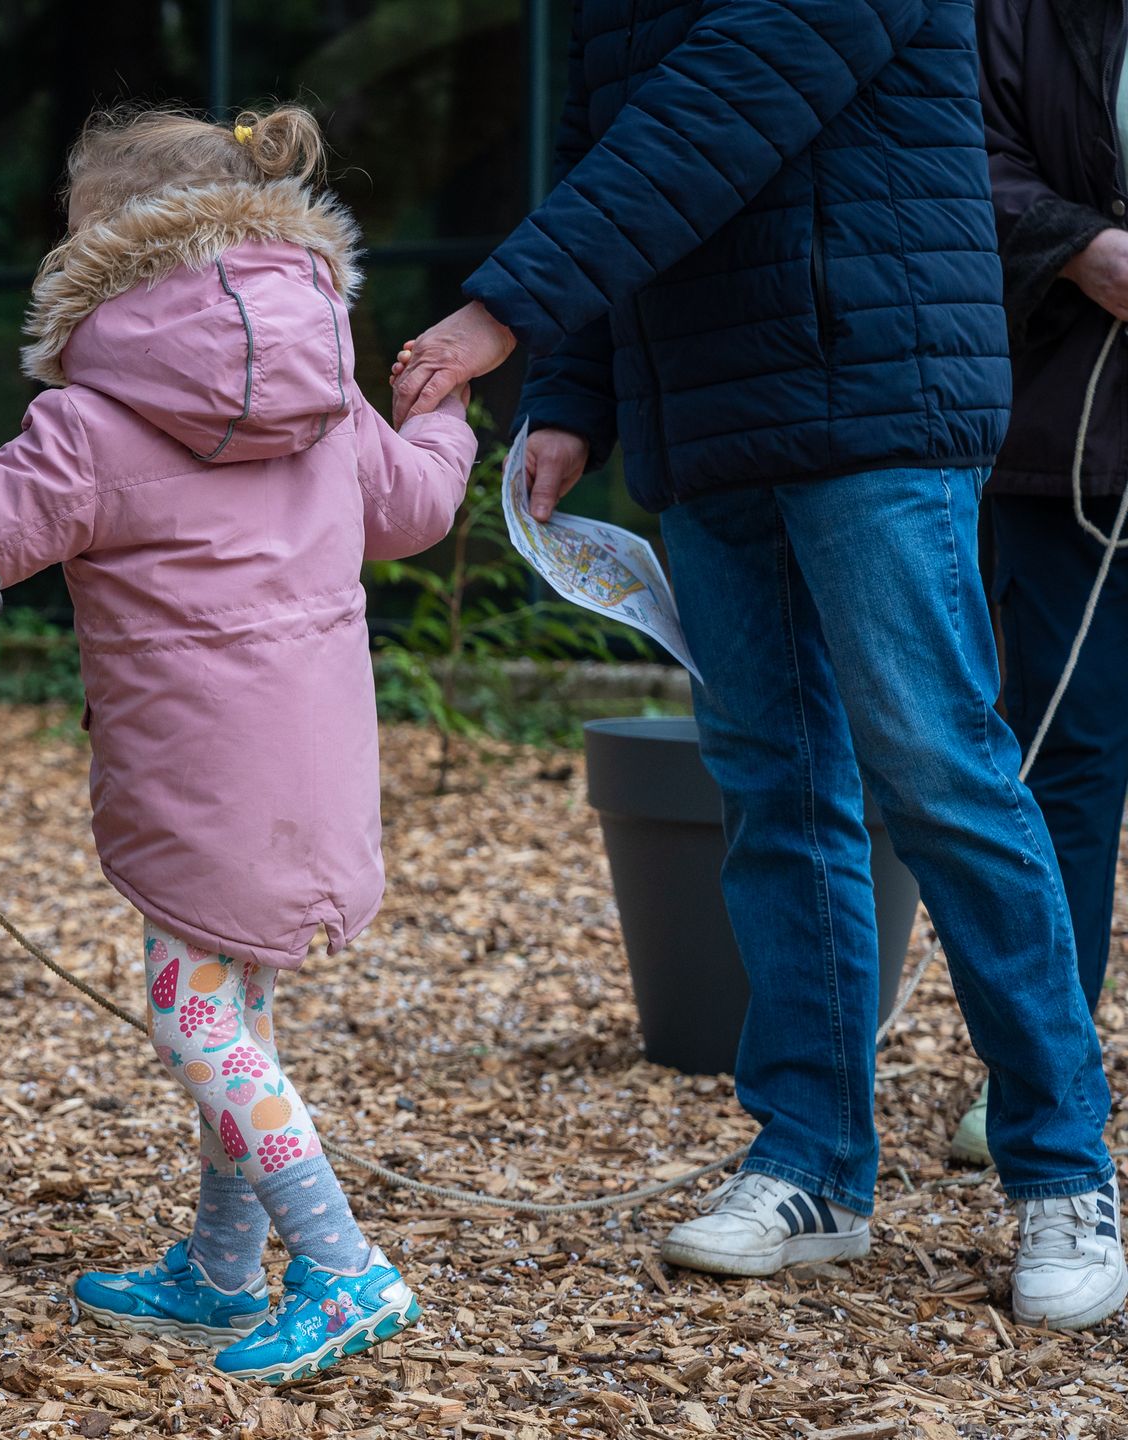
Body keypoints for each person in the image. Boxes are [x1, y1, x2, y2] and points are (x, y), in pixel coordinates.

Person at [394, 0, 1123, 1329]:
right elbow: (607, 155)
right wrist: (571, 394)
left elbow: (714, 115)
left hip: (876, 402)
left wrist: (503, 312)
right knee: (772, 796)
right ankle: (813, 1168)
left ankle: (1067, 1170)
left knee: (943, 780)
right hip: (714, 423)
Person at [0, 104, 475, 1382]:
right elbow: (416, 509)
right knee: (244, 1010)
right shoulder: (327, 397)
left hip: (198, 776)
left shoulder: (89, 424)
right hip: (317, 765)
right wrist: (446, 416)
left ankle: (342, 1267)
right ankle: (223, 1265)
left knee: (194, 1018)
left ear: (103, 249)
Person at [969, 0, 1128, 1169]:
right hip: (1072, 435)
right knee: (1064, 759)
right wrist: (1085, 246)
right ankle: (1043, 1071)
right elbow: (959, 151)